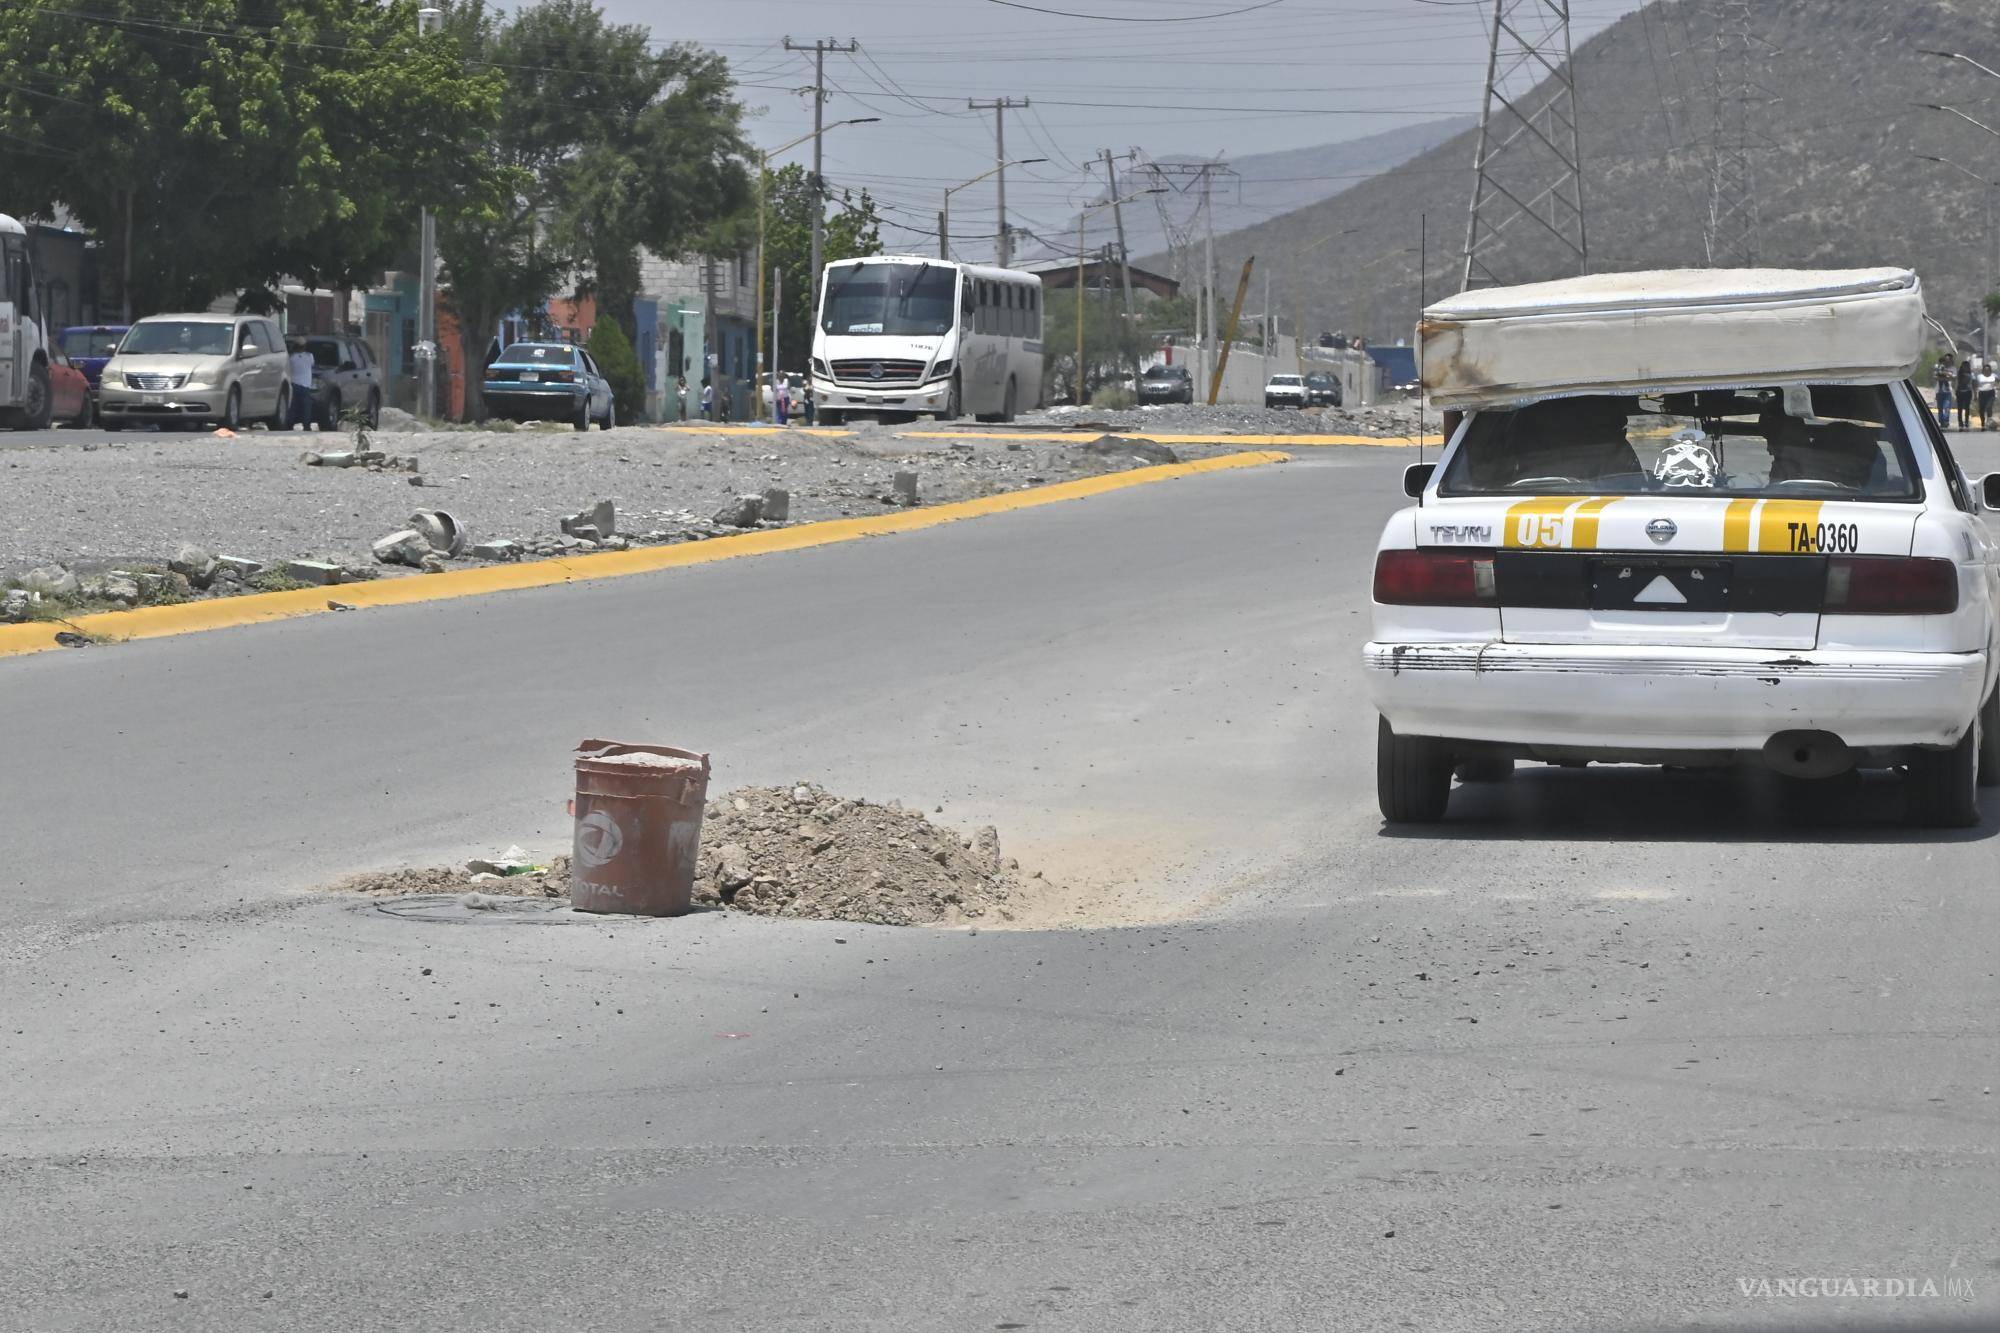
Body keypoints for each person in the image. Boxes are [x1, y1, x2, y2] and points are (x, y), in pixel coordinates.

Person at [285, 338, 317, 430]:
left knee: (293, 407)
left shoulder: (291, 357)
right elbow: (312, 364)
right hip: (305, 385)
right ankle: (306, 426)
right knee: (306, 408)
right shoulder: (310, 356)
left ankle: (289, 424)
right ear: (304, 346)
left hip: (294, 384)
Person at [1935, 352, 1956, 425]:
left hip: (1947, 391)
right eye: (1945, 360)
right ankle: (1941, 421)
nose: (1946, 362)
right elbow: (1935, 377)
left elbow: (1953, 377)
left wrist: (1944, 375)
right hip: (1939, 391)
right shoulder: (1938, 367)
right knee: (1940, 408)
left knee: (1947, 407)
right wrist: (1944, 377)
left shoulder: (1953, 369)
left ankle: (1946, 420)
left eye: (1948, 360)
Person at [1955, 353, 1975, 430]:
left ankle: (1966, 421)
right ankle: (1960, 422)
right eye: (1964, 365)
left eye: (1966, 366)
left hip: (1968, 392)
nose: (1965, 367)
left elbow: (1973, 383)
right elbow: (1958, 382)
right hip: (1960, 391)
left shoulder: (1971, 374)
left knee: (1967, 408)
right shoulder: (1960, 373)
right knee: (1960, 408)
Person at [1978, 361, 1997, 431]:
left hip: (1991, 393)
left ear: (1990, 370)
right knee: (1981, 409)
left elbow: (1998, 381)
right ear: (1983, 370)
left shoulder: (1994, 376)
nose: (1987, 371)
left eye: (1988, 370)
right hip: (1982, 393)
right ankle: (1982, 422)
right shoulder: (1979, 376)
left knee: (1989, 407)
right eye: (1985, 370)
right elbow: (1975, 384)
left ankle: (1989, 421)